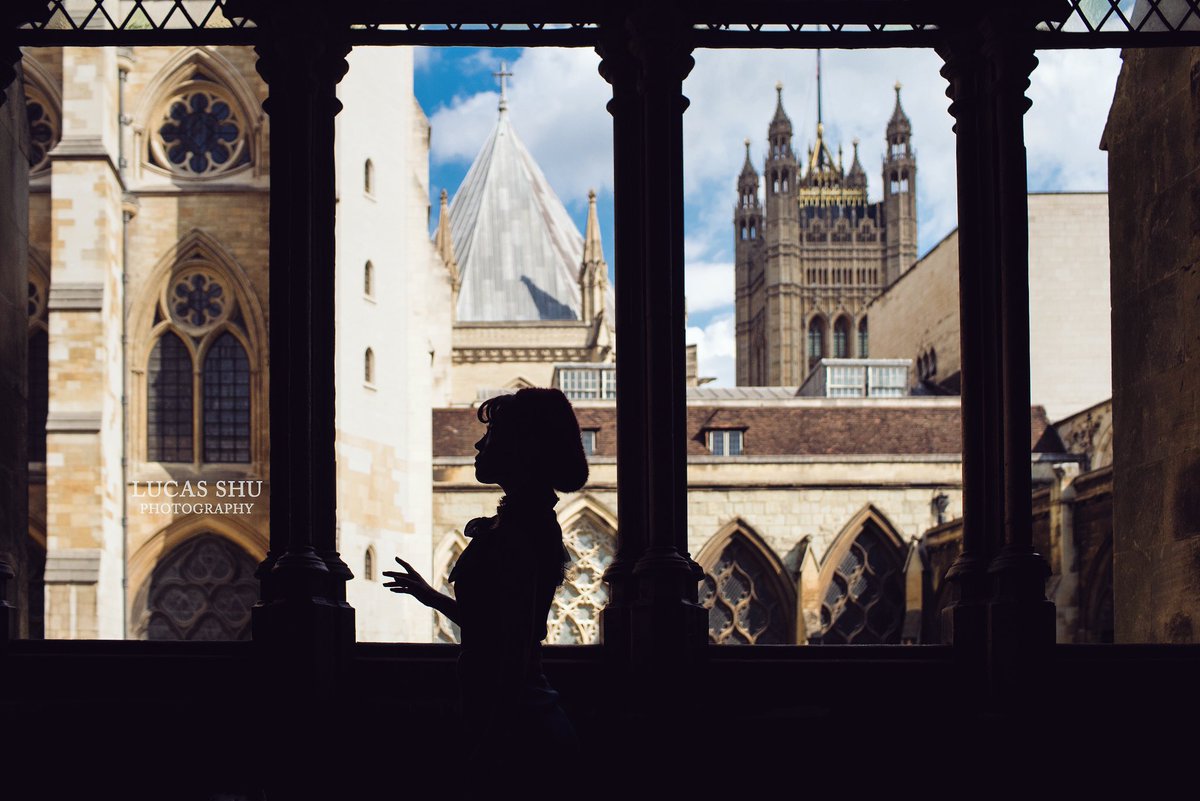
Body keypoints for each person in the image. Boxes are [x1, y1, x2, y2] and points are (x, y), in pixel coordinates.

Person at [383, 387, 587, 776]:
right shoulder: (519, 524)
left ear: (520, 448)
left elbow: (512, 649)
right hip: (516, 716)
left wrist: (490, 745)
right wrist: (432, 597)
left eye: (491, 435)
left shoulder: (519, 532)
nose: (478, 443)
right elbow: (496, 627)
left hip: (520, 729)